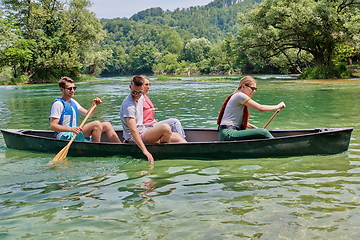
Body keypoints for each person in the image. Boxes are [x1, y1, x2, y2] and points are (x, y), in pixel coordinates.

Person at [120, 75, 186, 163]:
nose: (137, 95)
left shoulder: (141, 96)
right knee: (165, 128)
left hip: (143, 132)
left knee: (178, 137)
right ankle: (160, 151)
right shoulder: (129, 105)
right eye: (134, 92)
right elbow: (133, 130)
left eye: (140, 92)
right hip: (133, 139)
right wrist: (145, 151)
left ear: (143, 89)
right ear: (130, 87)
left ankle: (188, 151)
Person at [49, 76, 121, 143]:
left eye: (74, 88)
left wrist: (94, 105)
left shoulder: (73, 102)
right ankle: (96, 150)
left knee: (107, 125)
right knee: (96, 124)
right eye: (70, 89)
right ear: (62, 89)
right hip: (64, 137)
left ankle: (120, 146)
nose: (72, 91)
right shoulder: (58, 104)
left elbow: (88, 115)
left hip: (74, 133)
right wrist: (72, 129)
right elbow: (53, 126)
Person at [217, 76, 286, 141]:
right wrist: (278, 106)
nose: (254, 91)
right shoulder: (239, 95)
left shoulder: (237, 97)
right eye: (252, 88)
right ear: (243, 86)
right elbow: (260, 108)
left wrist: (256, 129)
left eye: (255, 89)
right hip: (228, 133)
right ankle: (279, 146)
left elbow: (246, 124)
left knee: (260, 131)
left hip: (228, 133)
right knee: (263, 132)